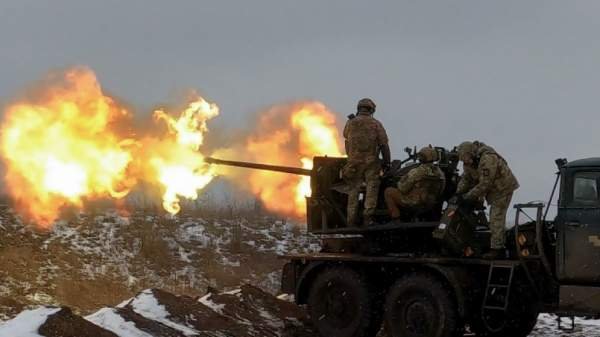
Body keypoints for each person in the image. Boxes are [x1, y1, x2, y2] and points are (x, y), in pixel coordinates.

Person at [455, 141, 519, 259]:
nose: (464, 161)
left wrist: (467, 197)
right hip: (493, 190)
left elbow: (485, 183)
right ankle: (497, 242)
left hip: (503, 188)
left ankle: (497, 249)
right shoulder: (469, 161)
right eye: (462, 159)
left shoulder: (488, 159)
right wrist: (458, 193)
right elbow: (466, 178)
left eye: (465, 158)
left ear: (470, 153)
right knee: (494, 218)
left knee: (496, 217)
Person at [343, 98, 391, 226]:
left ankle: (350, 221)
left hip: (353, 163)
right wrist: (387, 163)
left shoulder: (350, 123)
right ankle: (367, 219)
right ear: (371, 110)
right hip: (371, 163)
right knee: (371, 189)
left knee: (353, 191)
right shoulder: (376, 124)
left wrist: (351, 157)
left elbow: (346, 140)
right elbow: (384, 145)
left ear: (359, 108)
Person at [384, 146, 446, 219]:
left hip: (413, 203)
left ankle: (396, 219)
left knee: (388, 191)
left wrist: (400, 181)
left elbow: (403, 188)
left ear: (422, 157)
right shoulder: (440, 173)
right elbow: (441, 190)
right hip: (429, 204)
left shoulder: (417, 172)